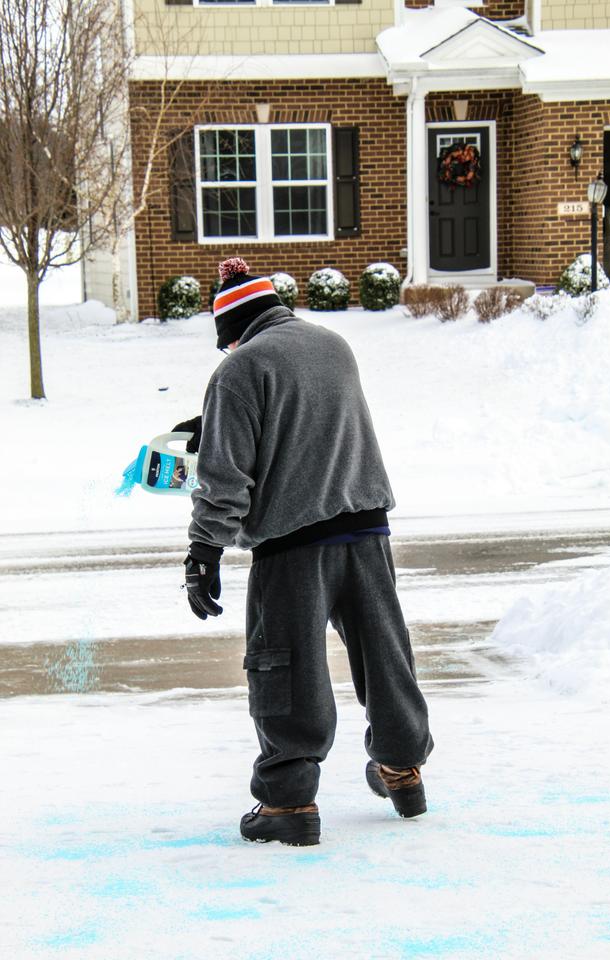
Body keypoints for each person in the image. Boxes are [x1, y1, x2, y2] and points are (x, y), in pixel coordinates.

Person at [181, 257, 433, 846]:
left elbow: (225, 481)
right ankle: (403, 769)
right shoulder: (332, 345)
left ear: (233, 331)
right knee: (385, 656)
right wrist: (216, 420)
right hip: (367, 531)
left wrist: (203, 552)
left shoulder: (240, 370)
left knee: (286, 669)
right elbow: (308, 416)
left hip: (293, 546)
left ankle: (288, 806)